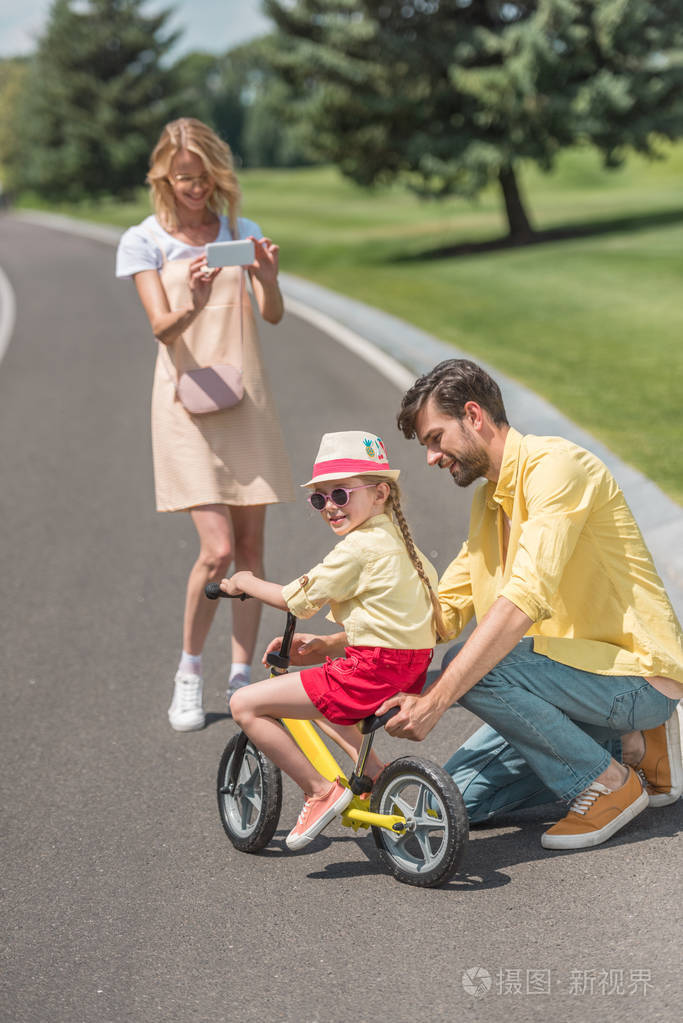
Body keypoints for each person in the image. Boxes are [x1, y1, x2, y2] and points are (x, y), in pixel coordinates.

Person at [375, 358, 683, 850]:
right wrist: (341, 642)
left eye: (435, 438)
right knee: (442, 808)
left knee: (476, 669)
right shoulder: (488, 501)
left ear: (473, 416)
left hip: (633, 675)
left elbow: (523, 602)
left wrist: (437, 700)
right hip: (564, 686)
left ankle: (607, 783)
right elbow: (444, 610)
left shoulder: (558, 469)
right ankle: (624, 745)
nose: (431, 457)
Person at [115, 117, 294, 731]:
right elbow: (160, 328)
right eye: (183, 178)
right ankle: (188, 671)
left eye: (204, 178)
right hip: (184, 407)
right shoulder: (144, 241)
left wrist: (267, 280)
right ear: (163, 177)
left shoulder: (242, 231)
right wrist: (189, 296)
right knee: (216, 551)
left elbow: (270, 316)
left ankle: (241, 675)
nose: (195, 189)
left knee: (250, 551)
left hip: (244, 400)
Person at [220, 430, 443, 850]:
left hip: (371, 670)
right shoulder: (402, 546)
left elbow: (294, 599)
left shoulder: (358, 548)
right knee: (322, 700)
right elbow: (391, 626)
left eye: (340, 494)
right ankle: (374, 773)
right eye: (319, 499)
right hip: (406, 668)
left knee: (244, 703)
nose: (330, 508)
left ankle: (320, 792)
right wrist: (326, 646)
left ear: (380, 494)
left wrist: (245, 582)